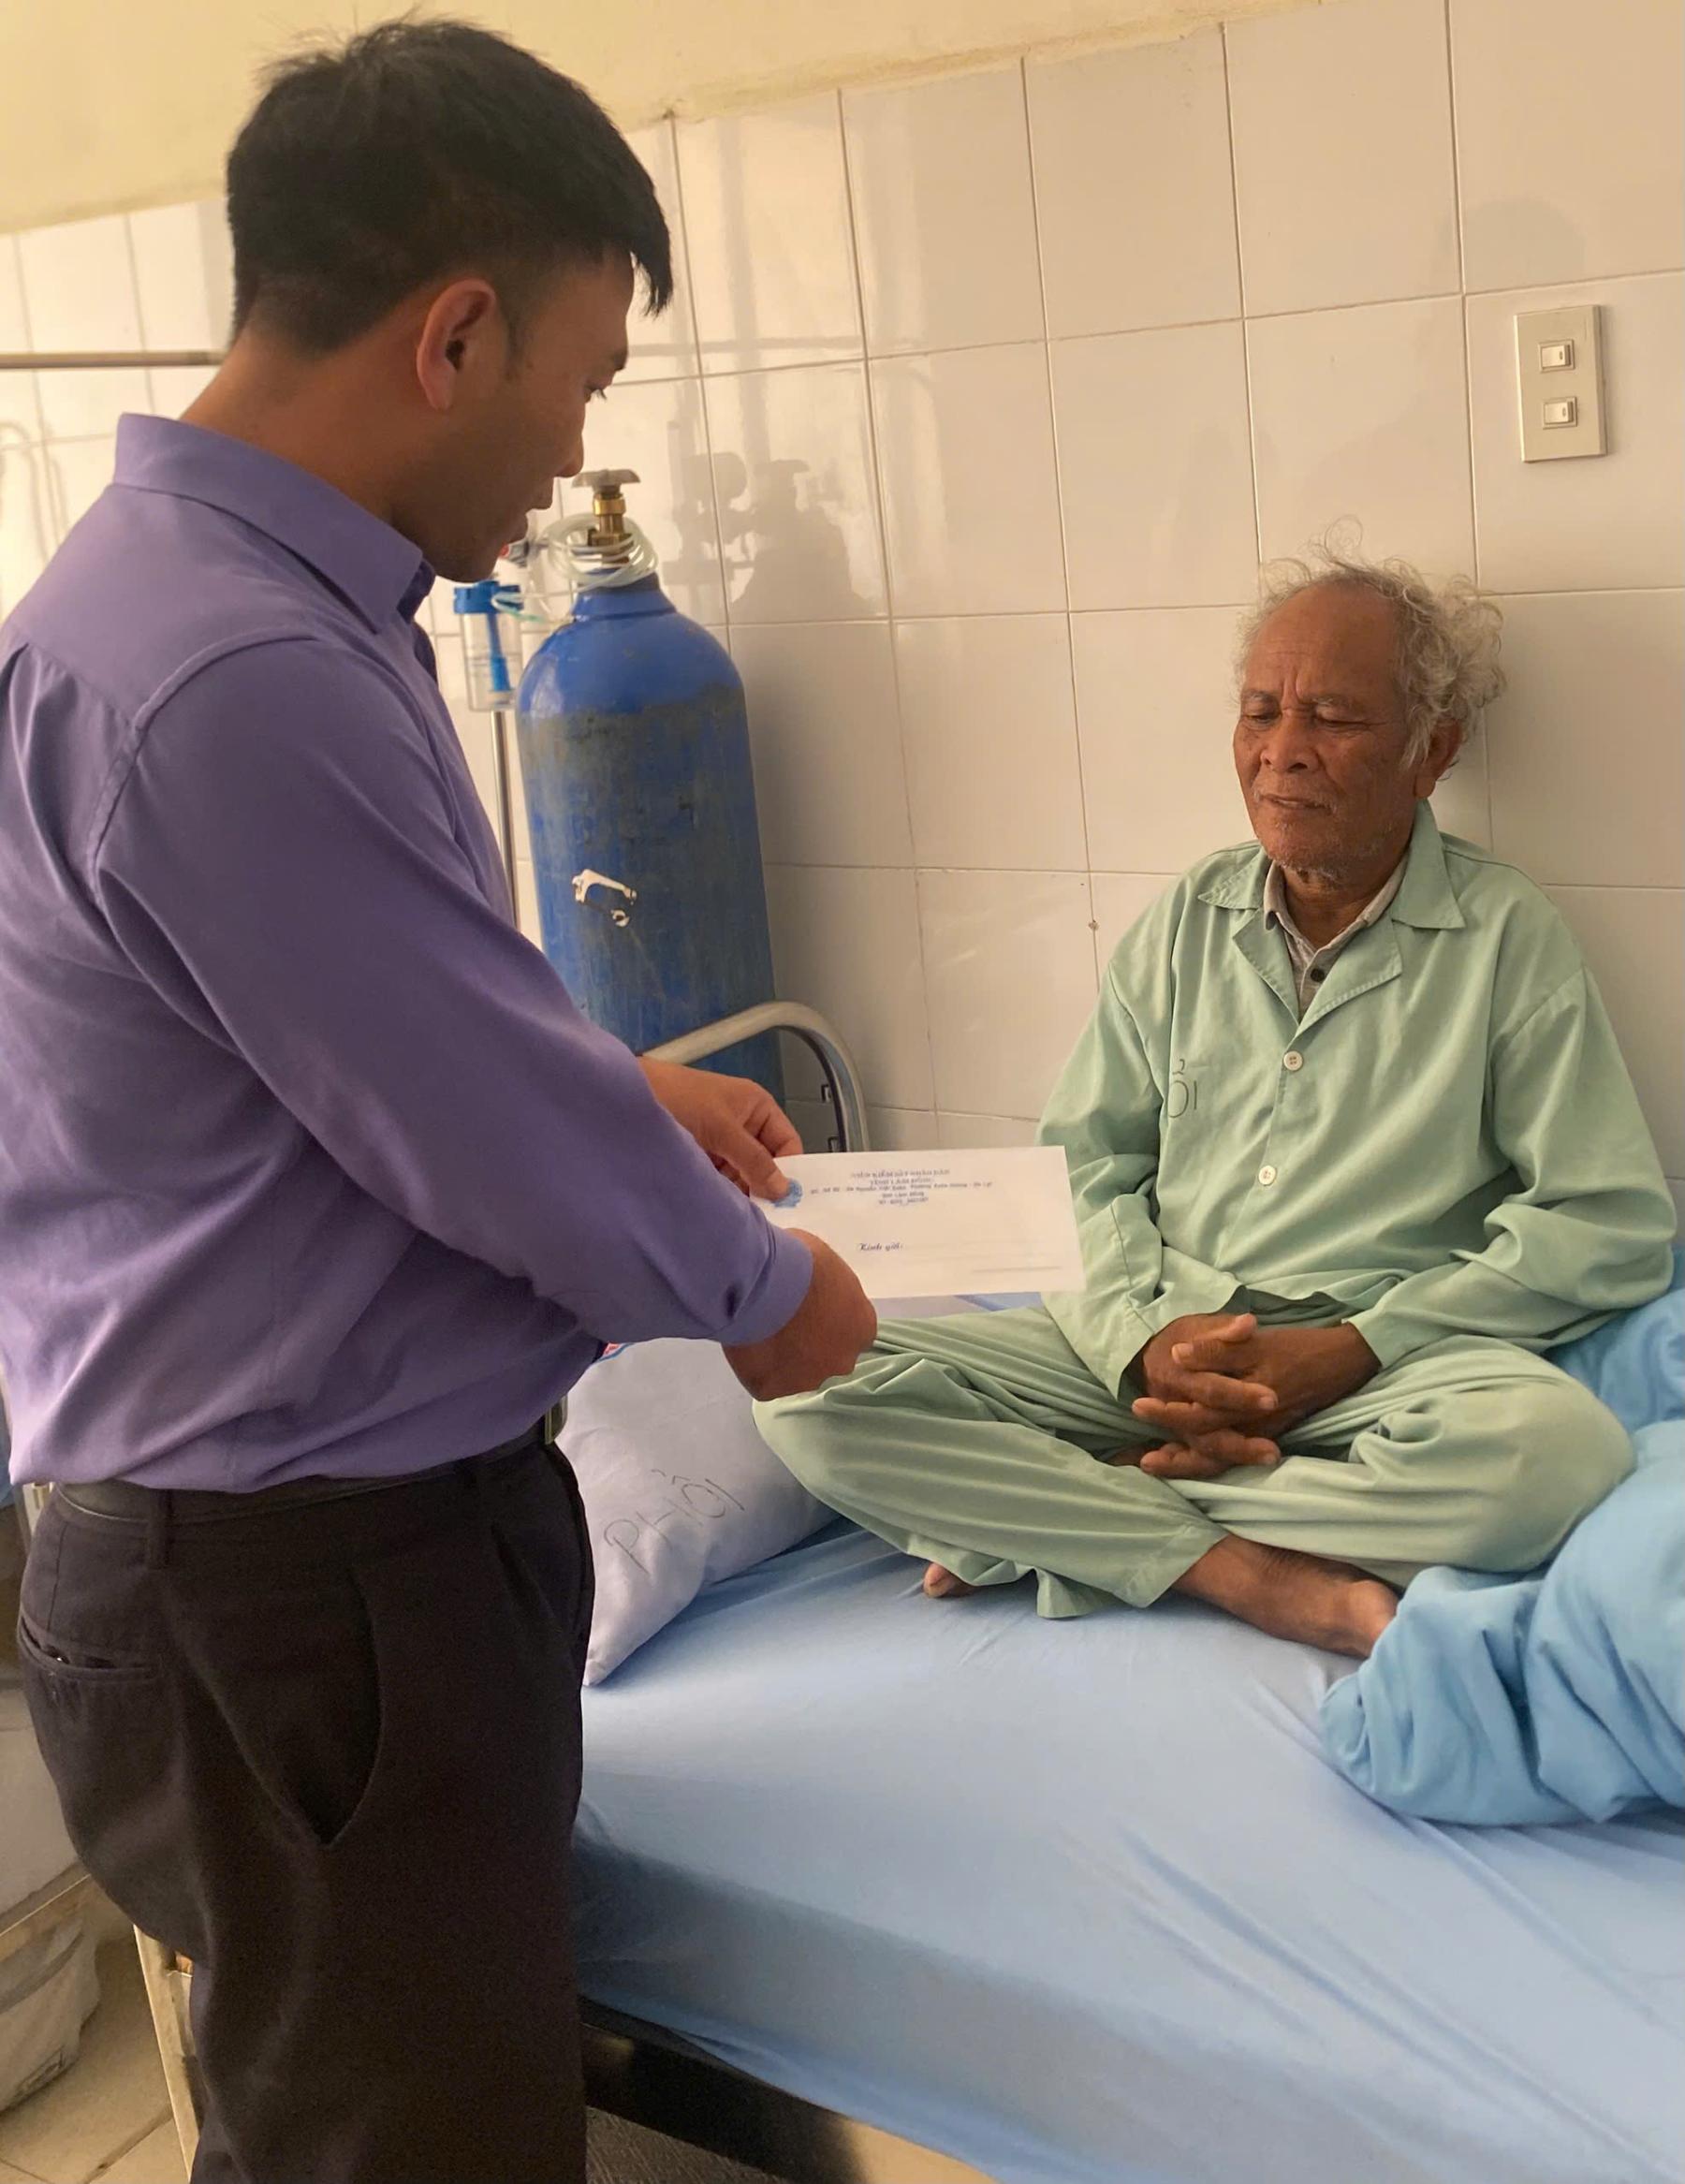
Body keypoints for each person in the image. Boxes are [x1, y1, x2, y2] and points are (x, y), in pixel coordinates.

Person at [0, 22, 874, 2183]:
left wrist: (616, 1077)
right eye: (578, 384)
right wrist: (769, 1292)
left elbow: (333, 1034)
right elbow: (474, 1125)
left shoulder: (195, 607)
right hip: (311, 1597)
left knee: (355, 2121)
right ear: (455, 335)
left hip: (265, 1570)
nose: (570, 452)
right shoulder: (233, 673)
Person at [757, 548, 1675, 1661]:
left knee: (1558, 1460)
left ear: (1432, 752)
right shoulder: (1186, 921)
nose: (1284, 752)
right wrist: (1145, 1340)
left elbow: (1608, 1219)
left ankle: (1091, 1510)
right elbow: (1081, 1175)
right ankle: (1239, 1566)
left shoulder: (1505, 938)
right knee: (803, 1385)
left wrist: (1357, 1344)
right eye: (1261, 711)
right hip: (1156, 1351)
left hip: (1369, 1365)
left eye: (1335, 718)